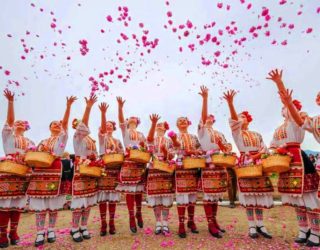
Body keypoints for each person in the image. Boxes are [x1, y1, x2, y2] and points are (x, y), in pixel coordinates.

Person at [268, 71, 319, 247]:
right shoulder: (278, 129)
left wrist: (279, 84)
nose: (285, 109)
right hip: (285, 163)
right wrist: (275, 151)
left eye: (288, 107)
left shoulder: (298, 121)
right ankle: (303, 230)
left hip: (299, 159)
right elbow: (272, 144)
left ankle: (316, 233)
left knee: (308, 197)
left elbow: (291, 108)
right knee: (297, 199)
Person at [223, 89, 273, 239]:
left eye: (243, 116)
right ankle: (252, 226)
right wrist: (231, 103)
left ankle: (261, 224)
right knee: (249, 196)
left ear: (248, 119)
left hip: (258, 164)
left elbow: (264, 148)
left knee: (258, 195)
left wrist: (261, 156)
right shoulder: (237, 133)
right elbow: (233, 120)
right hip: (245, 162)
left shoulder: (257, 134)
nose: (240, 118)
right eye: (238, 117)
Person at [28, 96, 76, 247]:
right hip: (41, 172)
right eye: (54, 124)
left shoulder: (62, 138)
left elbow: (66, 124)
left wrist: (68, 107)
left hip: (55, 171)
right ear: (49, 127)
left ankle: (52, 230)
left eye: (58, 124)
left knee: (53, 203)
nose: (57, 125)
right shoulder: (42, 141)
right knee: (41, 204)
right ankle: (40, 232)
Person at [0, 90, 35, 248]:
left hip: (23, 174)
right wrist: (11, 102)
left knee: (17, 204)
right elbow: (10, 119)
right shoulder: (8, 135)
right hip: (8, 172)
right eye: (17, 122)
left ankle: (13, 233)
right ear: (12, 126)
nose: (19, 123)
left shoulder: (29, 141)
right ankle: (1, 235)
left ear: (26, 127)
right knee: (4, 204)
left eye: (22, 122)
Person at [198, 86, 232, 238]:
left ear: (214, 120)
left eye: (211, 117)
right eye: (207, 117)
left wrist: (221, 146)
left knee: (216, 195)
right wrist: (205, 99)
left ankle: (215, 221)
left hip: (219, 164)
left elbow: (226, 147)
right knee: (208, 194)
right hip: (208, 165)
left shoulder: (219, 133)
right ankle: (210, 224)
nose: (209, 118)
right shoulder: (203, 131)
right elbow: (203, 115)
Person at [115, 97, 147, 233]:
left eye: (135, 119)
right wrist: (120, 107)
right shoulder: (126, 132)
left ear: (138, 123)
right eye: (130, 119)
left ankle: (139, 212)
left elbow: (146, 146)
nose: (132, 120)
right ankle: (131, 217)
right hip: (129, 163)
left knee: (138, 190)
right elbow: (121, 122)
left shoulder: (141, 134)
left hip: (139, 163)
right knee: (129, 191)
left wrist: (145, 150)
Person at [70, 95, 98, 242]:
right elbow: (83, 125)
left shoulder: (91, 140)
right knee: (79, 200)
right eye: (79, 125)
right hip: (81, 170)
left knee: (88, 201)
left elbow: (95, 154)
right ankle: (74, 228)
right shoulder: (77, 137)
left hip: (92, 171)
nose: (81, 126)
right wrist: (88, 108)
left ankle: (84, 226)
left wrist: (96, 161)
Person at [169, 117, 202, 238]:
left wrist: (196, 152)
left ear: (188, 123)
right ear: (177, 124)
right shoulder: (174, 136)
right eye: (180, 121)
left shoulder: (193, 137)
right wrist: (180, 151)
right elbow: (171, 152)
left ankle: (191, 221)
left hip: (193, 166)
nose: (183, 122)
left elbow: (200, 149)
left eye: (185, 120)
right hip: (181, 166)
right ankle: (181, 223)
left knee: (192, 195)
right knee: (182, 195)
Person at [97, 102, 124, 236]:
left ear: (114, 128)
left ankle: (112, 222)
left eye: (110, 125)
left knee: (112, 198)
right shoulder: (102, 138)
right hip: (104, 169)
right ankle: (103, 224)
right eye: (105, 125)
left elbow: (122, 153)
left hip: (114, 170)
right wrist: (103, 113)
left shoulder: (118, 141)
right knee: (103, 198)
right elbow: (102, 131)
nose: (108, 127)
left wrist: (118, 153)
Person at [146, 115, 175, 235]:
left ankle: (165, 223)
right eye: (158, 128)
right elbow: (148, 145)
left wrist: (165, 152)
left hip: (165, 170)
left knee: (166, 198)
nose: (159, 129)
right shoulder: (152, 139)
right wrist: (153, 123)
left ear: (165, 130)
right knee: (156, 197)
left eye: (161, 128)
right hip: (154, 170)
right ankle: (158, 223)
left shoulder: (169, 141)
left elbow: (172, 154)